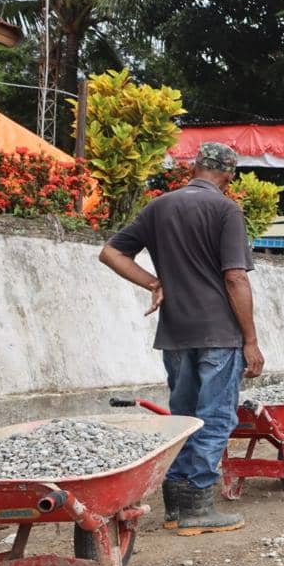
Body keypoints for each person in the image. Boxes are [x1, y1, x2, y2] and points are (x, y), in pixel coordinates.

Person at [99, 142, 262, 536]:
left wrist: (154, 282)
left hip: (175, 334)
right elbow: (235, 277)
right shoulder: (226, 209)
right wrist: (251, 341)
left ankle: (176, 505)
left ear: (195, 168)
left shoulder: (159, 207)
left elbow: (110, 252)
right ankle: (198, 508)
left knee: (183, 419)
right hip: (218, 334)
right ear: (228, 174)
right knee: (216, 417)